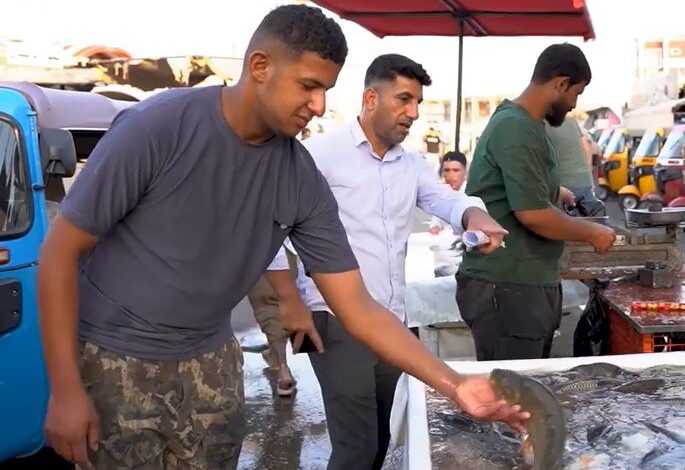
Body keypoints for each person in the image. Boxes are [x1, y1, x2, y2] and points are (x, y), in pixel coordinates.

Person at [37, 5, 527, 470]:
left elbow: (356, 305)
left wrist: (454, 384)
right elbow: (59, 253)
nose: (318, 105)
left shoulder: (298, 176)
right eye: (309, 86)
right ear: (260, 66)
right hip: (117, 358)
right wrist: (65, 389)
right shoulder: (157, 128)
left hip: (212, 360)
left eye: (326, 89)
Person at [267, 53, 509, 470]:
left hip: (392, 321)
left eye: (417, 102)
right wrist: (289, 302)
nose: (413, 113)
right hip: (335, 317)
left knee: (382, 435)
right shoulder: (318, 154)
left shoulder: (411, 164)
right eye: (403, 99)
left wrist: (474, 215)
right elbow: (271, 227)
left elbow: (446, 200)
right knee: (356, 446)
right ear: (370, 98)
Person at [456, 43, 616, 362]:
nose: (574, 104)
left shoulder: (529, 125)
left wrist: (557, 192)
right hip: (508, 286)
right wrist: (592, 232)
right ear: (561, 84)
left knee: (528, 385)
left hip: (523, 285)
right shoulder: (516, 127)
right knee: (513, 389)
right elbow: (532, 214)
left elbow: (521, 185)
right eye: (576, 93)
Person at [247, 244, 299, 396]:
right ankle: (279, 359)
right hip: (291, 249)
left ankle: (282, 367)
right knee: (290, 303)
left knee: (267, 308)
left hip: (257, 252)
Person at [429, 150, 468, 235]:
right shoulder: (441, 194)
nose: (451, 175)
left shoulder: (471, 195)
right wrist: (435, 227)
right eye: (447, 170)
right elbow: (435, 223)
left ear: (465, 172)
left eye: (455, 170)